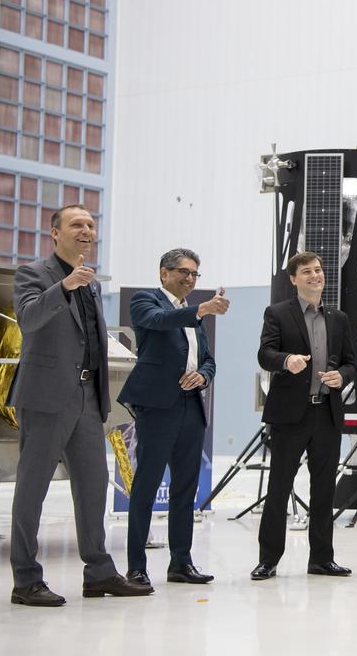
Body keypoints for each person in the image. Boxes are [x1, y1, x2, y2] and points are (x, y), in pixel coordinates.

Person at [8, 204, 153, 606]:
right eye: (77, 224)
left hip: (88, 399)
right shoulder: (34, 274)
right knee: (32, 488)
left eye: (91, 225)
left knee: (93, 487)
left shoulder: (89, 283)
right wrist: (65, 286)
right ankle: (25, 580)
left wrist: (103, 397)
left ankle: (100, 573)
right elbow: (29, 319)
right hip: (46, 399)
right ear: (55, 233)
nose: (87, 230)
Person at [120, 248, 230, 587]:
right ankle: (136, 566)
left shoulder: (191, 315)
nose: (189, 278)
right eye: (183, 271)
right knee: (146, 486)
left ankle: (181, 562)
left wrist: (203, 376)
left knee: (186, 488)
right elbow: (155, 322)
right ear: (163, 273)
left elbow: (208, 359)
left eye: (195, 274)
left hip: (190, 407)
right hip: (157, 406)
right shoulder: (146, 300)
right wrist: (201, 310)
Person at [251, 251, 357, 581]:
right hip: (289, 416)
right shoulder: (278, 313)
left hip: (326, 413)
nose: (314, 276)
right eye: (306, 272)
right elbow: (265, 353)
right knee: (279, 487)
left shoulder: (338, 318)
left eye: (318, 270)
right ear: (294, 279)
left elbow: (352, 363)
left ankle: (322, 559)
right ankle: (268, 559)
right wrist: (286, 361)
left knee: (324, 489)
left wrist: (343, 376)